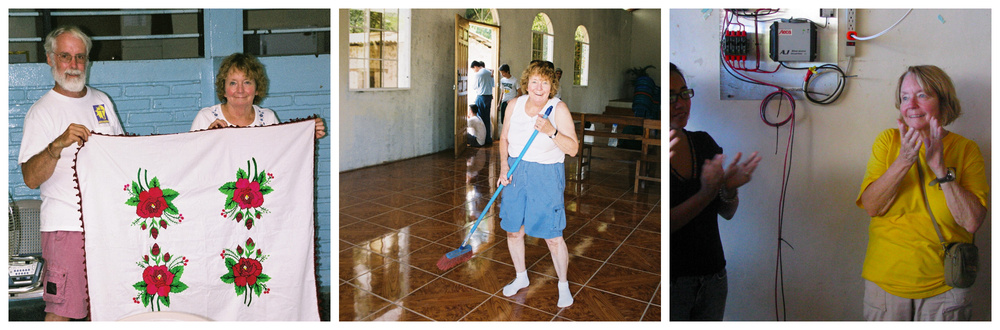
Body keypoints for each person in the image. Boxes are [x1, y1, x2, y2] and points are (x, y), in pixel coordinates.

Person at [856, 65, 988, 321]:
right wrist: (904, 160)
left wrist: (940, 168)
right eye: (905, 97)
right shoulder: (887, 141)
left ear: (943, 100)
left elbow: (972, 222)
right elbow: (872, 207)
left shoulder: (966, 149)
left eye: (922, 95)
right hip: (885, 287)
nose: (911, 105)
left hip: (946, 288)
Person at [18, 26, 126, 321]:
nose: (74, 65)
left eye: (80, 57)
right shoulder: (42, 112)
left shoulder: (102, 102)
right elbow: (30, 178)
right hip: (66, 228)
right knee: (62, 312)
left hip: (105, 226)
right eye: (66, 56)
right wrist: (57, 145)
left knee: (106, 310)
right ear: (50, 60)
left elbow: (123, 159)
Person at [669, 63, 761, 321]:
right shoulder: (657, 154)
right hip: (673, 282)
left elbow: (727, 212)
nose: (680, 103)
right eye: (670, 96)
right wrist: (706, 193)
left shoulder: (704, 142)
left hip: (713, 277)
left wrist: (729, 189)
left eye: (684, 93)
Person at [496, 60, 578, 308]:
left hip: (546, 174)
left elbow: (573, 149)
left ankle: (562, 284)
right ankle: (521, 277)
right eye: (534, 81)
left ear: (551, 85)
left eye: (545, 82)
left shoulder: (558, 109)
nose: (539, 87)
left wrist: (551, 131)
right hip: (516, 171)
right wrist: (503, 166)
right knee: (513, 230)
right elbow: (504, 138)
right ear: (526, 84)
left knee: (553, 236)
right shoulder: (514, 104)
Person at [190, 52, 325, 138]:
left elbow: (282, 153)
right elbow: (191, 160)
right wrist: (207, 138)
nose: (240, 90)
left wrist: (308, 134)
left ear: (258, 88)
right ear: (223, 90)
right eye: (233, 83)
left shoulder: (267, 118)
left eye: (247, 82)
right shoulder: (206, 118)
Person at [470, 60, 495, 145]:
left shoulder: (478, 74)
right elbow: (493, 85)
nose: (474, 71)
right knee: (487, 118)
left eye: (473, 69)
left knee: (480, 118)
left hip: (481, 97)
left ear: (476, 66)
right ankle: (488, 138)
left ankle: (481, 140)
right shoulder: (490, 73)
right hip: (488, 97)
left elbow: (474, 87)